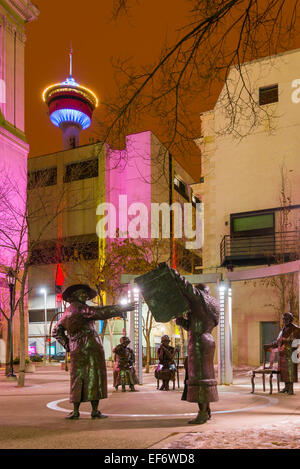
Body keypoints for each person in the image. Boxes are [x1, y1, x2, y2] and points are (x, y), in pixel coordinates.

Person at [52, 284, 135, 419]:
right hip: (90, 347)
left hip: (76, 349)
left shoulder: (67, 312)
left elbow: (56, 331)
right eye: (82, 293)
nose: (85, 296)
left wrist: (69, 345)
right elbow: (99, 312)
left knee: (77, 377)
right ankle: (94, 410)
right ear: (75, 295)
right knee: (94, 376)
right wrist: (120, 308)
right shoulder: (80, 309)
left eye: (86, 293)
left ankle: (76, 410)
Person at [174, 274, 219, 425]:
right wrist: (183, 323)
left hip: (199, 342)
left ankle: (202, 413)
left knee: (199, 377)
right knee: (206, 375)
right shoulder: (212, 305)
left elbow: (186, 287)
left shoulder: (200, 298)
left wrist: (173, 274)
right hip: (207, 339)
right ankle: (207, 410)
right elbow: (196, 325)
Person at [264, 312, 300, 395]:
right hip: (283, 353)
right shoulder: (283, 329)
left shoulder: (296, 329)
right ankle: (286, 387)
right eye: (283, 319)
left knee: (290, 371)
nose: (284, 320)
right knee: (283, 372)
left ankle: (290, 389)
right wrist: (273, 344)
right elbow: (279, 340)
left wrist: (285, 343)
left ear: (290, 319)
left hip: (291, 353)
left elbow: (297, 341)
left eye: (285, 318)